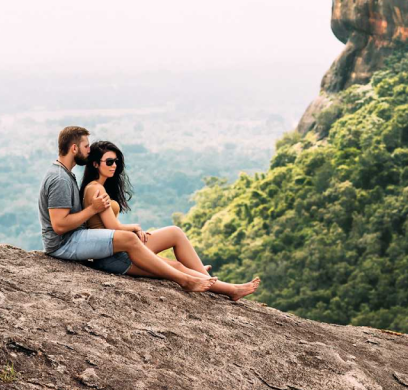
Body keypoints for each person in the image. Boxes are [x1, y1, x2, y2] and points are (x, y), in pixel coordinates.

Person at [39, 126, 218, 293]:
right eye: (86, 146)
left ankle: (202, 276)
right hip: (63, 244)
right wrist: (93, 209)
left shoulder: (66, 175)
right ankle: (185, 279)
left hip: (75, 238)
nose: (89, 150)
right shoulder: (60, 179)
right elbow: (59, 226)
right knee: (132, 240)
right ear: (74, 148)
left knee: (172, 233)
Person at [79, 140, 260, 301]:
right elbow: (113, 227)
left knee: (175, 232)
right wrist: (134, 227)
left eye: (116, 161)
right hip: (113, 257)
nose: (114, 166)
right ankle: (230, 289)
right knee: (176, 266)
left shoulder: (97, 187)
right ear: (95, 164)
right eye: (109, 162)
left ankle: (202, 275)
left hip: (122, 247)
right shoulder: (96, 190)